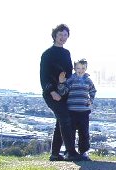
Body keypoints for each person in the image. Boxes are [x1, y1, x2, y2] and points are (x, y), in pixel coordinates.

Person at [40, 24, 87, 161]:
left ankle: (55, 154)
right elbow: (43, 76)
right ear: (54, 35)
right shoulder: (47, 54)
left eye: (65, 35)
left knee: (60, 121)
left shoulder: (66, 53)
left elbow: (70, 74)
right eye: (60, 34)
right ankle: (71, 152)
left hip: (64, 91)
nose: (63, 37)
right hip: (52, 93)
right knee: (66, 118)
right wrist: (52, 91)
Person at [58, 59, 96, 161]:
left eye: (83, 68)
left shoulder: (88, 80)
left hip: (84, 111)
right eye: (78, 68)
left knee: (84, 132)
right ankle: (69, 152)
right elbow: (64, 91)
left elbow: (93, 90)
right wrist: (61, 83)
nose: (81, 70)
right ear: (74, 68)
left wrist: (91, 100)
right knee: (70, 133)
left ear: (86, 68)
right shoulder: (71, 79)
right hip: (71, 111)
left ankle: (84, 152)